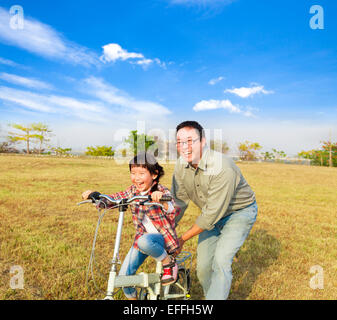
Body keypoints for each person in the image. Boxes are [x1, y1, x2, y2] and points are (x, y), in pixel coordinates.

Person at [171, 121, 258, 300]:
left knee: (220, 261)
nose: (184, 147)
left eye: (190, 141)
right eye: (179, 142)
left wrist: (181, 239)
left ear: (203, 141)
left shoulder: (222, 167)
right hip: (211, 214)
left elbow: (210, 215)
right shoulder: (180, 165)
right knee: (203, 268)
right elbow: (178, 202)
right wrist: (167, 228)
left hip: (238, 213)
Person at [82, 152, 180, 300]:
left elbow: (173, 208)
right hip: (141, 240)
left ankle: (168, 262)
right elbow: (114, 199)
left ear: (154, 174)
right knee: (123, 278)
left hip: (161, 240)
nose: (136, 177)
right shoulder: (132, 191)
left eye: (141, 173)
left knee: (144, 241)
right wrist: (95, 196)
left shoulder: (160, 191)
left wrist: (162, 201)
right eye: (133, 173)